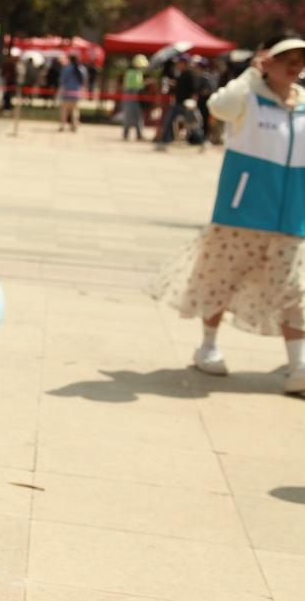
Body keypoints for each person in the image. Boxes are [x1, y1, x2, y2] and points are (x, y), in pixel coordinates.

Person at [149, 37, 305, 394]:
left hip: (292, 217)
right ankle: (208, 345)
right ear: (267, 61)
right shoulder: (247, 98)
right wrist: (250, 75)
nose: (294, 65)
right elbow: (219, 107)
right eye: (286, 58)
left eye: (300, 58)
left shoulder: (303, 105)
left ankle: (298, 365)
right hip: (242, 212)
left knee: (295, 289)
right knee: (222, 279)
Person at [154, 54, 198, 149]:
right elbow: (178, 88)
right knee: (169, 121)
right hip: (177, 104)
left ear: (184, 63)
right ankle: (164, 142)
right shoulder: (180, 74)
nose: (177, 64)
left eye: (179, 63)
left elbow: (194, 91)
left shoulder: (190, 75)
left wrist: (192, 103)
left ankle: (201, 141)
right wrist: (172, 85)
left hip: (186, 105)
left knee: (192, 124)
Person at [120, 54, 148, 141]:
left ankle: (138, 134)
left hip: (136, 98)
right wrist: (145, 83)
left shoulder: (137, 73)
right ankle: (126, 134)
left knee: (138, 116)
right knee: (129, 116)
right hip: (131, 97)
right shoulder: (132, 73)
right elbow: (135, 86)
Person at [57, 53, 86, 131]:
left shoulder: (66, 68)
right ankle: (74, 125)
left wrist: (60, 91)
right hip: (77, 92)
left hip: (67, 91)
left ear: (69, 60)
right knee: (75, 110)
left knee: (64, 110)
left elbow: (62, 80)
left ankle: (62, 126)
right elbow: (84, 81)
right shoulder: (82, 69)